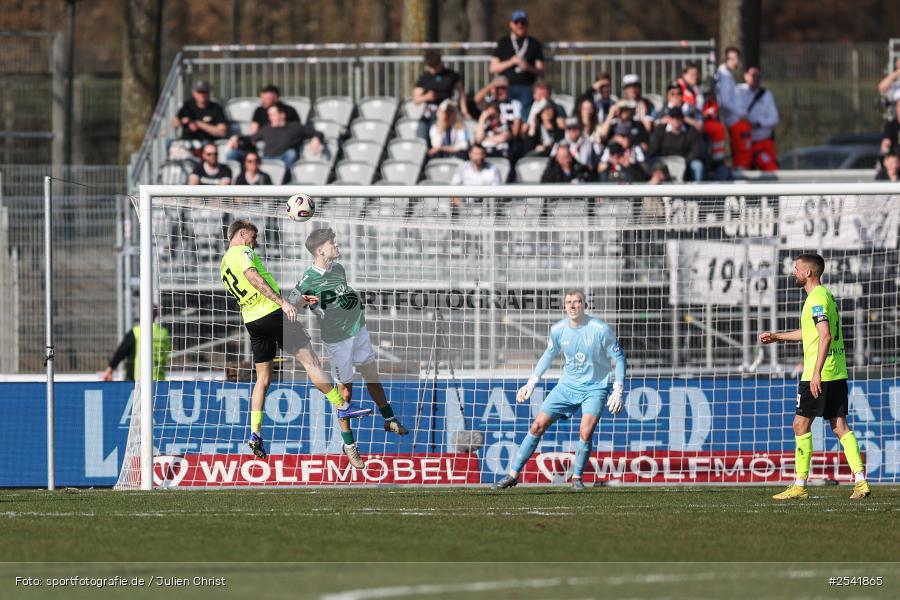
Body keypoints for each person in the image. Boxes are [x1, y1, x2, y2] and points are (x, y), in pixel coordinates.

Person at [220, 219, 371, 468]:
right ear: (242, 233)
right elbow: (253, 276)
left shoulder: (224, 263)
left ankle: (255, 433)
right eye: (253, 237)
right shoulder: (241, 252)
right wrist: (282, 302)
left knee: (262, 379)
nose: (254, 243)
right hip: (271, 313)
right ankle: (341, 405)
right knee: (311, 362)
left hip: (252, 321)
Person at [759, 253, 870, 501]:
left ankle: (800, 485)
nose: (794, 272)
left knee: (800, 425)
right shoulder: (825, 295)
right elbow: (811, 332)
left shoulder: (816, 298)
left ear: (808, 273)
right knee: (840, 427)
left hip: (820, 372)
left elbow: (825, 335)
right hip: (836, 370)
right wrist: (777, 336)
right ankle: (861, 481)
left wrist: (816, 372)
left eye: (797, 268)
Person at [494, 289, 626, 491]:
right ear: (564, 306)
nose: (572, 305)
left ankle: (577, 478)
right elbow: (548, 355)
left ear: (584, 305)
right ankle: (513, 474)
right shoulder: (557, 330)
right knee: (537, 426)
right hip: (567, 386)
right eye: (568, 302)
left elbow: (619, 357)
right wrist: (531, 382)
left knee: (586, 430)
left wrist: (618, 389)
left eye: (577, 301)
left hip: (596, 387)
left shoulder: (600, 329)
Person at [294, 228, 410, 447]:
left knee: (372, 376)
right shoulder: (308, 280)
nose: (337, 245)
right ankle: (349, 445)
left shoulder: (338, 268)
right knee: (345, 392)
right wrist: (308, 306)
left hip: (359, 329)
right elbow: (292, 303)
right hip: (338, 341)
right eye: (332, 243)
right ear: (320, 251)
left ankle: (389, 419)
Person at [230, 104, 324, 174]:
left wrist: (316, 138)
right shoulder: (267, 128)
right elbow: (250, 138)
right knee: (234, 154)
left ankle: (283, 179)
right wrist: (236, 137)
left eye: (272, 114)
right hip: (265, 160)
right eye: (269, 115)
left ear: (282, 115)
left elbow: (319, 133)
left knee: (291, 153)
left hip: (283, 161)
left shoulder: (295, 127)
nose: (269, 118)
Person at [489, 9, 544, 118]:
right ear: (511, 24)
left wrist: (528, 67)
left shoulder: (534, 43)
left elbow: (540, 70)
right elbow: (492, 68)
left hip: (527, 86)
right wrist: (511, 62)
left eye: (523, 22)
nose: (520, 25)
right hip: (506, 87)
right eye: (516, 22)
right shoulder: (503, 42)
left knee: (525, 112)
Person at [102, 307, 169, 382]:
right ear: (156, 315)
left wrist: (110, 368)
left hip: (137, 380)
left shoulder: (136, 332)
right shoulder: (164, 333)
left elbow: (121, 351)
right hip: (160, 380)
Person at [412, 50, 471, 136]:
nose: (432, 70)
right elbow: (416, 99)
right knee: (421, 131)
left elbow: (462, 93)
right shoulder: (424, 78)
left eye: (434, 67)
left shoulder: (451, 76)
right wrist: (426, 97)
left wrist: (464, 112)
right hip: (429, 113)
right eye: (430, 67)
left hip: (446, 112)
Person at [737, 66, 779, 171]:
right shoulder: (738, 91)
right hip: (745, 143)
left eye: (758, 76)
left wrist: (759, 124)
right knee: (744, 170)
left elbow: (775, 118)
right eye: (753, 75)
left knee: (771, 167)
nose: (756, 79)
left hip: (764, 142)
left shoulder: (766, 95)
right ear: (746, 76)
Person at [716, 47, 752, 168]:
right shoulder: (724, 76)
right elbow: (725, 101)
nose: (736, 62)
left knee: (741, 151)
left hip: (734, 119)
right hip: (734, 120)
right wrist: (741, 113)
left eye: (737, 58)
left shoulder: (726, 74)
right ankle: (741, 174)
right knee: (742, 151)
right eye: (733, 59)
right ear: (726, 59)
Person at [648, 108, 703, 181]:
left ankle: (697, 187)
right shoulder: (660, 130)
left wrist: (685, 161)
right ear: (669, 119)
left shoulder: (691, 131)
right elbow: (653, 149)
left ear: (682, 119)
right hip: (664, 160)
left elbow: (695, 151)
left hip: (684, 160)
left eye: (678, 118)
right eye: (673, 118)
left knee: (697, 165)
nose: (676, 121)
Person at [170, 80, 228, 146]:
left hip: (209, 143)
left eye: (204, 92)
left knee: (209, 149)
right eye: (199, 92)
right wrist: (181, 122)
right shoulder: (187, 106)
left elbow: (222, 132)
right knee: (172, 145)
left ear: (208, 93)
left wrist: (198, 124)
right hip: (188, 143)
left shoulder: (216, 108)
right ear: (194, 93)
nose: (202, 95)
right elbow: (175, 122)